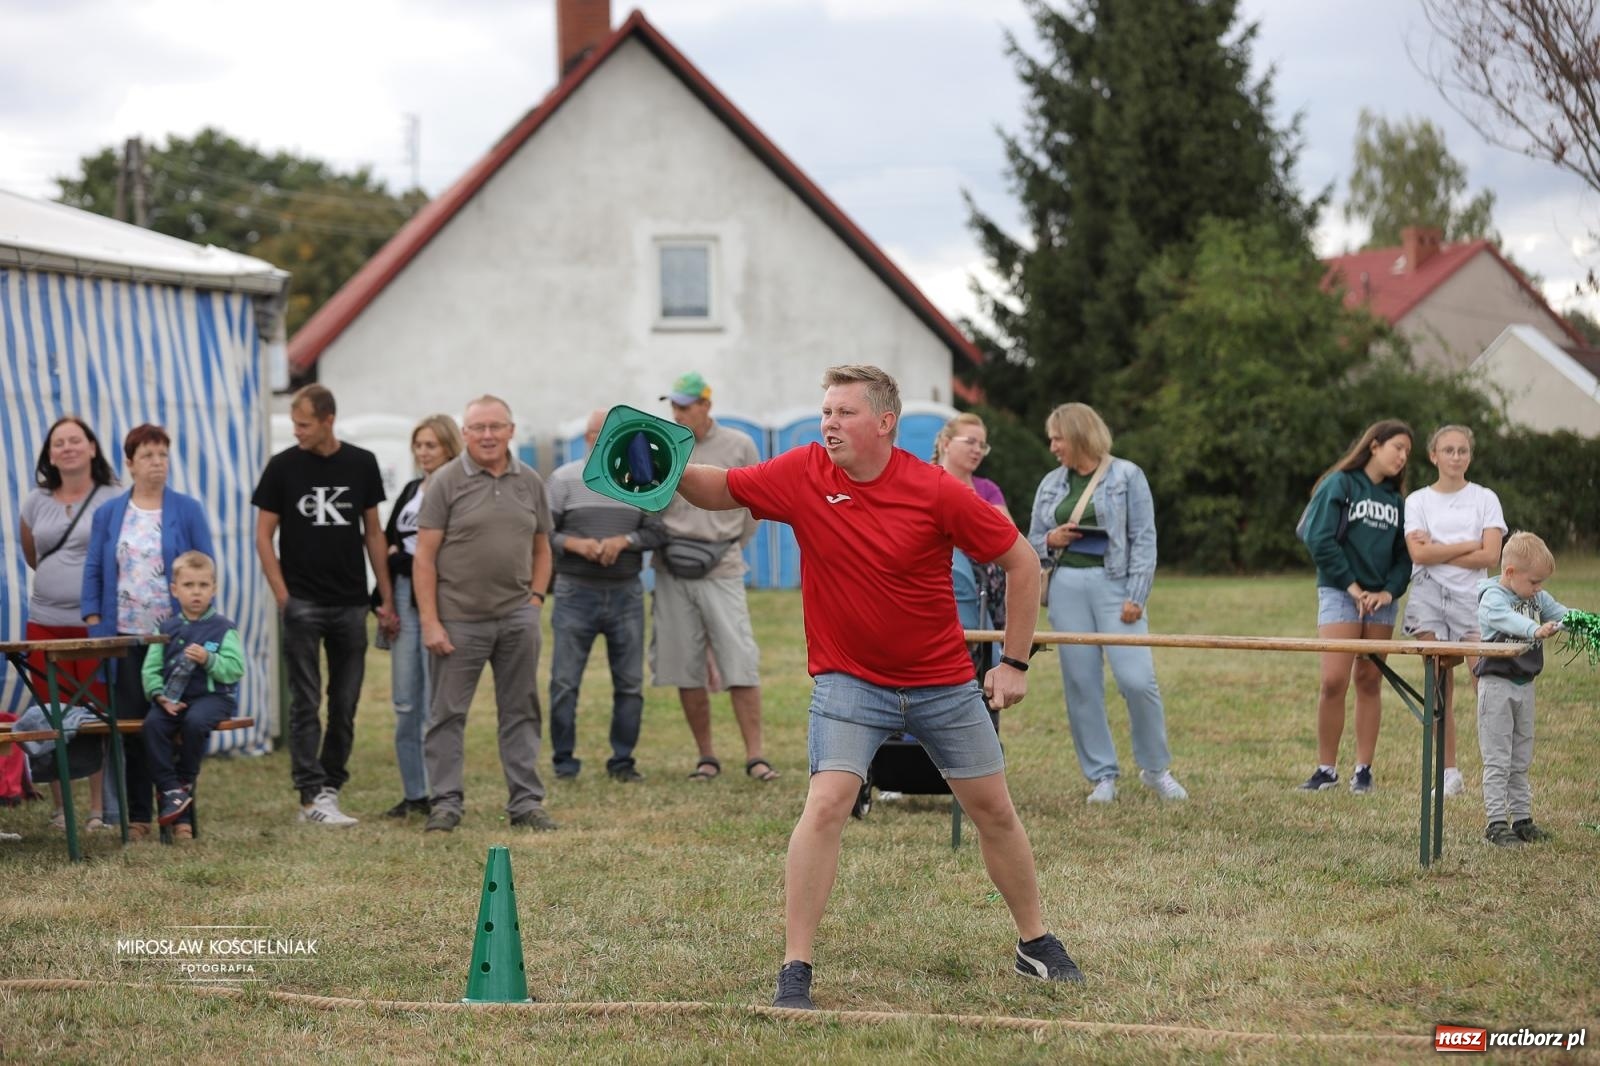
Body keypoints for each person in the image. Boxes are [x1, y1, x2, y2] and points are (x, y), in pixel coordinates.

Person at [674, 364, 1082, 1011]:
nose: (829, 423)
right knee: (828, 802)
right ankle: (796, 969)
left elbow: (1022, 563)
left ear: (885, 423)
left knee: (995, 811)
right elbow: (718, 488)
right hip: (849, 680)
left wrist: (1015, 662)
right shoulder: (804, 472)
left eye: (845, 413)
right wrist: (657, 468)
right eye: (826, 411)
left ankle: (1035, 942)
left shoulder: (936, 491)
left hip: (943, 682)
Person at [1027, 403, 1187, 805]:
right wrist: (1051, 541)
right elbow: (1029, 542)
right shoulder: (1051, 483)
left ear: (1079, 435)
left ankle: (1155, 769)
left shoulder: (1128, 476)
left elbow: (1145, 539)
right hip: (1066, 587)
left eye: (1057, 437)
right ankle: (1102, 776)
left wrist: (1137, 594)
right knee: (1081, 685)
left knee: (1137, 681)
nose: (1052, 446)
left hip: (1115, 585)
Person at [414, 395, 557, 833]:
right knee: (447, 715)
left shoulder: (530, 481)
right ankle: (445, 804)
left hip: (517, 618)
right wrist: (431, 621)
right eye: (478, 428)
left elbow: (541, 547)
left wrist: (534, 601)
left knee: (521, 712)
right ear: (465, 433)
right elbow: (424, 557)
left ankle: (526, 803)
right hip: (458, 622)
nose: (488, 435)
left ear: (512, 431)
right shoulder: (445, 482)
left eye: (496, 426)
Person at [253, 384, 394, 827]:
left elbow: (374, 533)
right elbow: (262, 535)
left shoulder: (361, 463)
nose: (297, 432)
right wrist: (282, 595)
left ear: (328, 420)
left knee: (345, 701)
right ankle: (310, 793)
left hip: (351, 603)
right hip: (303, 604)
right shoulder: (282, 467)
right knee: (305, 701)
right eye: (294, 424)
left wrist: (385, 596)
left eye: (304, 424)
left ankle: (332, 785)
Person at [82, 424, 215, 840]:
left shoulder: (187, 509)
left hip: (174, 641)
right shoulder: (109, 513)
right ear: (130, 463)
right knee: (134, 729)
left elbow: (204, 568)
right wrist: (92, 622)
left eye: (162, 455)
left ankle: (181, 819)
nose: (157, 463)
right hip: (125, 639)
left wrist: (200, 628)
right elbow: (95, 570)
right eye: (148, 456)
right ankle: (138, 817)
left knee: (176, 728)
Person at [653, 372, 775, 783]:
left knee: (739, 662)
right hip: (672, 569)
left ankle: (756, 756)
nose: (677, 412)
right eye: (674, 405)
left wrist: (728, 546)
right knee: (684, 666)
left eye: (685, 405)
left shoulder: (739, 444)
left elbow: (754, 507)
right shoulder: (661, 444)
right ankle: (706, 757)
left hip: (721, 566)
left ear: (706, 405)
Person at [547, 409, 668, 782]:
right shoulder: (563, 479)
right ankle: (564, 762)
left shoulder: (641, 482)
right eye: (599, 434)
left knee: (629, 683)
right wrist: (577, 545)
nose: (605, 440)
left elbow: (657, 532)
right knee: (565, 682)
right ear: (587, 437)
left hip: (625, 593)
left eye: (613, 434)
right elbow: (542, 534)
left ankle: (622, 761)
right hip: (574, 592)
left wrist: (624, 540)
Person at [1297, 419, 1414, 794]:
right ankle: (1325, 769)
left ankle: (1363, 770)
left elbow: (1404, 557)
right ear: (1375, 445)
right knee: (1333, 681)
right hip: (1339, 593)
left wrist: (1388, 592)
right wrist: (1352, 588)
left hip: (1379, 602)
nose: (1402, 456)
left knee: (1369, 680)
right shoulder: (1340, 484)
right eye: (1398, 447)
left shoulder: (1397, 500)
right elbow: (1318, 538)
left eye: (1408, 452)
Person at [20, 416, 119, 831]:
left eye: (75, 440)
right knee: (52, 716)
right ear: (50, 454)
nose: (68, 448)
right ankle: (63, 809)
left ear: (92, 448)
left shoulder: (112, 498)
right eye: (58, 442)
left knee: (94, 714)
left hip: (93, 626)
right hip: (44, 624)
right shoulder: (35, 501)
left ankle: (99, 808)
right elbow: (32, 554)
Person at [1403, 425, 1506, 798]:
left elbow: (1491, 555)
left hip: (1473, 597)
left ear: (1470, 456)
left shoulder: (1485, 499)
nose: (1456, 456)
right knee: (1438, 683)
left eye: (1462, 450)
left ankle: (1497, 770)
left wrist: (1440, 548)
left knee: (1486, 681)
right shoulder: (1417, 501)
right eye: (1448, 450)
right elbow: (1419, 555)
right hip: (1429, 596)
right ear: (1433, 455)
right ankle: (1448, 773)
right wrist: (1467, 543)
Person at [379, 414, 463, 819]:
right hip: (401, 595)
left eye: (431, 445)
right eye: (418, 445)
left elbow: (456, 545)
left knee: (435, 702)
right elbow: (389, 538)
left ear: (449, 447)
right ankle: (413, 792)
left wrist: (406, 556)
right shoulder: (413, 489)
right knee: (405, 701)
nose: (423, 452)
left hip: (439, 597)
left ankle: (440, 792)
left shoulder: (459, 488)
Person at [1474, 532, 1568, 848]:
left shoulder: (1534, 596)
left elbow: (1560, 613)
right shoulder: (1492, 598)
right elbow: (1505, 619)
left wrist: (1582, 623)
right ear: (1511, 573)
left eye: (1541, 583)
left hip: (1525, 686)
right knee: (1498, 758)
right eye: (1534, 582)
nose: (1538, 589)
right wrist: (1534, 629)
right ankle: (1496, 823)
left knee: (1521, 757)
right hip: (1497, 687)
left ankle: (1522, 819)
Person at [141, 551, 245, 829]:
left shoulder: (224, 628)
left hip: (214, 698)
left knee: (195, 721)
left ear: (214, 588)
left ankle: (184, 779)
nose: (196, 593)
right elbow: (150, 668)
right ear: (175, 590)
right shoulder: (166, 627)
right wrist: (158, 695)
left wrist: (210, 660)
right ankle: (170, 788)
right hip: (172, 699)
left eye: (203, 585)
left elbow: (235, 668)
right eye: (189, 586)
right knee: (151, 725)